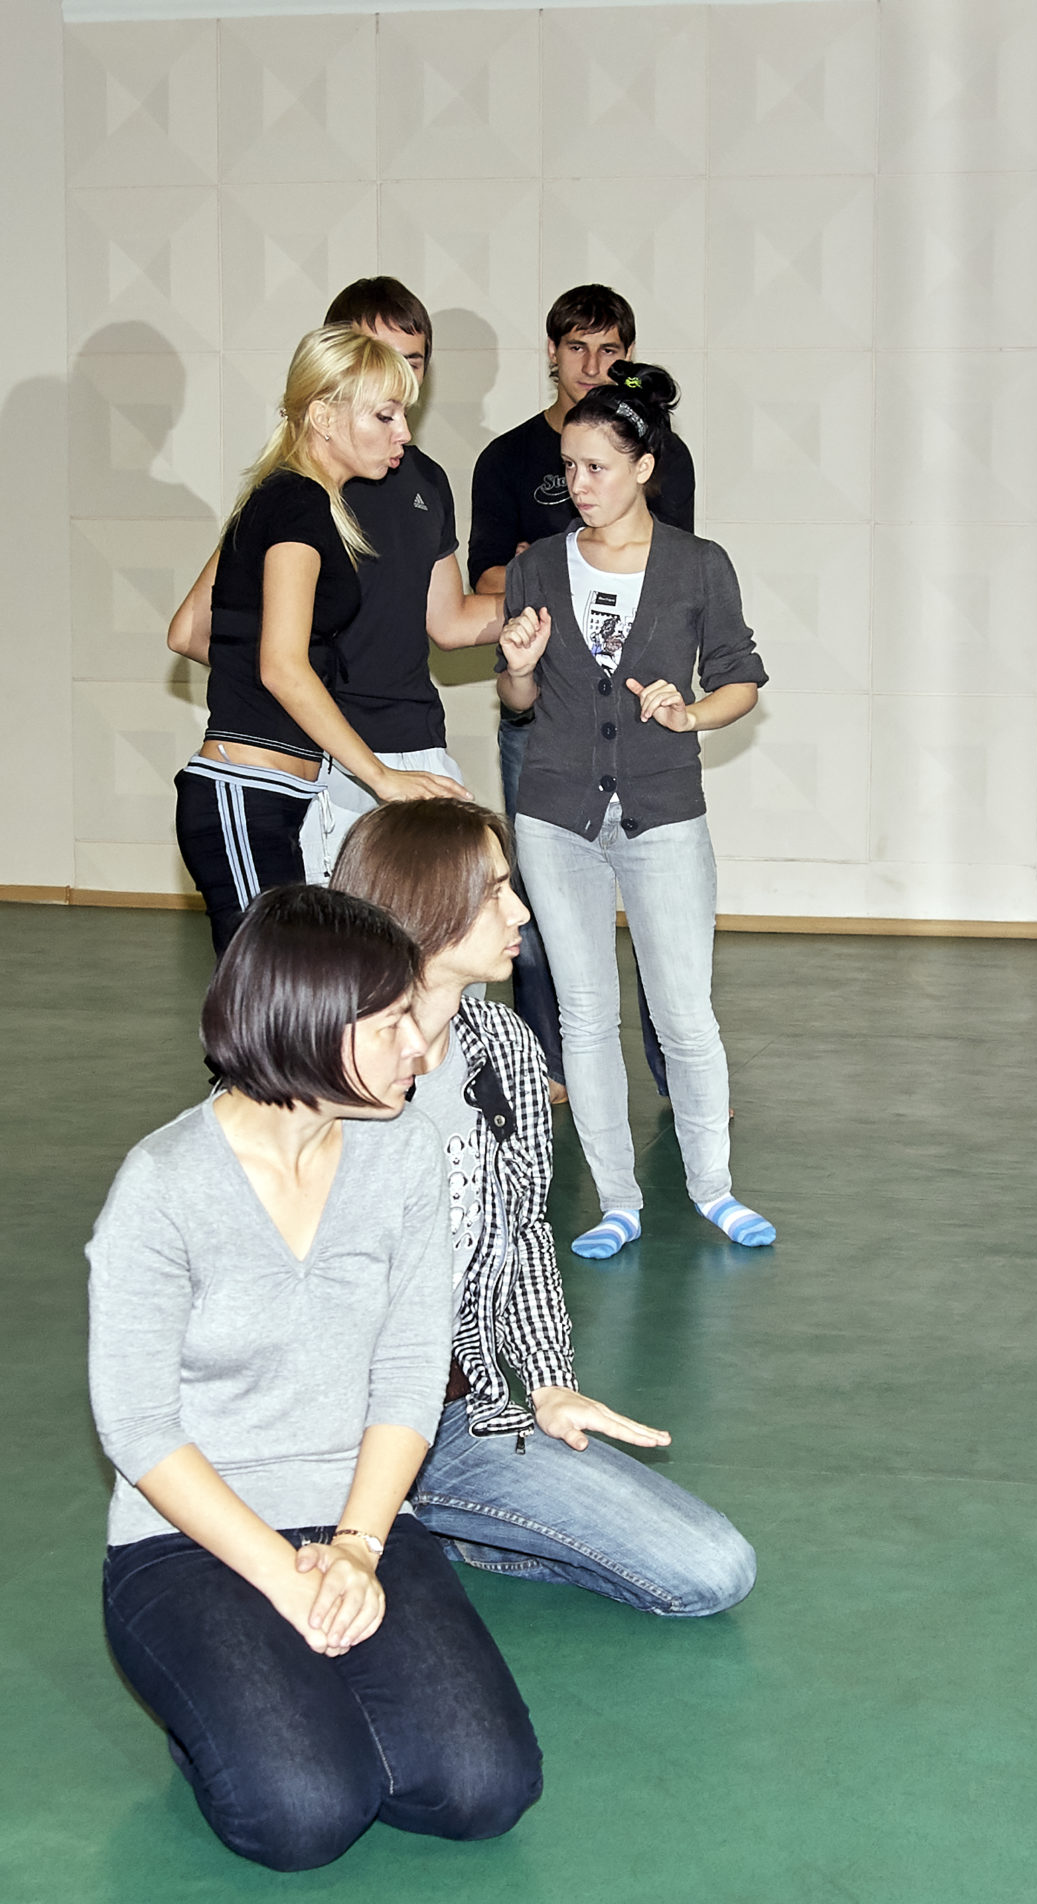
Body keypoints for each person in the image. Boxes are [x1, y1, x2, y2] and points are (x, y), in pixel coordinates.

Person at [87, 884, 541, 1872]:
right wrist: (283, 1581)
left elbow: (411, 1368)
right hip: (188, 1541)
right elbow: (138, 1427)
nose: (421, 1050)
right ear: (311, 1029)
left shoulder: (404, 1153)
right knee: (303, 1816)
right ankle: (218, 1709)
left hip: (354, 1518)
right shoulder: (162, 1187)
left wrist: (358, 1547)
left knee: (485, 1789)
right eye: (392, 1027)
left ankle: (281, 1694)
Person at [331, 799, 756, 1615]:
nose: (520, 911)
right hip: (325, 1428)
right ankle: (393, 1520)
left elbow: (521, 1231)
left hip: (458, 1412)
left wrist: (549, 1383)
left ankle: (439, 1522)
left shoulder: (506, 1048)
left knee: (712, 1569)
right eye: (494, 891)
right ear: (422, 906)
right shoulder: (314, 1064)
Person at [498, 364, 776, 1259]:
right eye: (569, 467)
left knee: (685, 1013)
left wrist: (689, 714)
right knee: (585, 1015)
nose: (578, 485)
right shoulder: (537, 566)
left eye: (597, 467)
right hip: (555, 814)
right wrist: (517, 667)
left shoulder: (699, 565)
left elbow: (740, 678)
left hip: (663, 808)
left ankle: (713, 1189)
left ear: (644, 467)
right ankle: (617, 1201)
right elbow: (517, 704)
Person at [167, 325, 468, 955]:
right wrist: (381, 776)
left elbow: (193, 632)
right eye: (385, 415)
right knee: (269, 993)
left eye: (404, 415)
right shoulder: (297, 504)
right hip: (246, 791)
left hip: (275, 793)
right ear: (324, 417)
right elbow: (281, 666)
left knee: (291, 994)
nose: (404, 433)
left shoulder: (292, 499)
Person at [469, 284, 691, 1100]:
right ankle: (545, 1066)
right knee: (535, 895)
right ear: (552, 353)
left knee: (661, 898)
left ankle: (677, 1071)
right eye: (576, 348)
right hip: (541, 708)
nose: (592, 365)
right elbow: (486, 578)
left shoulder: (666, 454)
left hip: (637, 710)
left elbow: (672, 572)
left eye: (610, 350)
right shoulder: (506, 459)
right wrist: (554, 566)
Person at [317, 276, 504, 865]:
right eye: (378, 357)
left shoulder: (427, 478)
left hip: (415, 740)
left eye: (413, 361)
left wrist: (565, 589)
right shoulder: (302, 483)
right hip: (323, 751)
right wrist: (290, 692)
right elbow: (197, 632)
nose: (398, 376)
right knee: (328, 924)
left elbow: (449, 622)